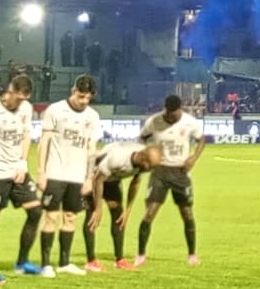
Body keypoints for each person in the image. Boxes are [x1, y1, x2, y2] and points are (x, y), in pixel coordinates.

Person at [36, 74, 100, 277]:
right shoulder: (55, 110)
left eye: (87, 98)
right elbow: (44, 142)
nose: (83, 101)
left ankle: (64, 262)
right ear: (73, 91)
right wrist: (41, 171)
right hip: (55, 173)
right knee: (50, 217)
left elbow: (91, 149)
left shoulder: (92, 116)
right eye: (80, 96)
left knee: (70, 217)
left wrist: (89, 178)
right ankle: (46, 264)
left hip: (77, 176)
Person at [0, 74, 44, 278]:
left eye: (24, 99)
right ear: (10, 90)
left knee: (36, 212)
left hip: (17, 171)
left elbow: (26, 135)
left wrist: (23, 162)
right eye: (18, 98)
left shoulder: (26, 108)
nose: (21, 103)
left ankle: (22, 262)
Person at [136, 95, 205, 266]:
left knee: (187, 213)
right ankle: (141, 255)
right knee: (149, 213)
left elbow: (201, 139)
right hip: (160, 171)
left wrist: (193, 158)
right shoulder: (154, 121)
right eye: (168, 114)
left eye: (173, 114)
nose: (170, 117)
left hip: (180, 172)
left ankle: (192, 254)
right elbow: (142, 137)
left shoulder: (190, 122)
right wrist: (147, 156)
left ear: (180, 109)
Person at [83, 142, 163, 271]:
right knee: (92, 216)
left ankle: (119, 260)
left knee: (119, 217)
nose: (150, 170)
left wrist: (128, 209)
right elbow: (98, 180)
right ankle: (91, 261)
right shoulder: (119, 158)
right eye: (150, 166)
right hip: (92, 176)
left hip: (112, 179)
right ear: (142, 158)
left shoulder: (142, 161)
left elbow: (135, 183)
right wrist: (98, 208)